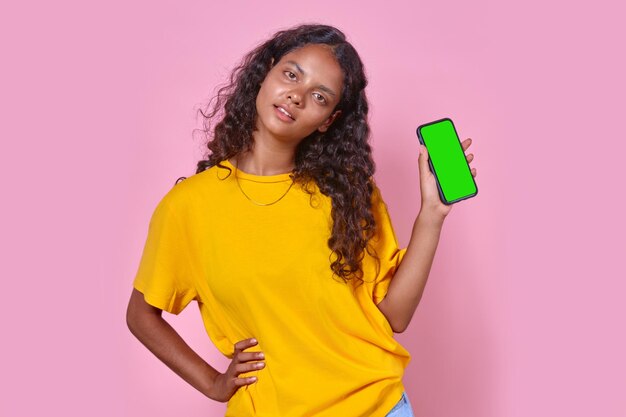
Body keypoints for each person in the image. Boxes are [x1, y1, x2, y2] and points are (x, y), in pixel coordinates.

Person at [126, 23, 477, 417]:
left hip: (376, 406)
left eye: (319, 96)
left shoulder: (347, 194)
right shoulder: (188, 206)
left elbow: (395, 316)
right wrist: (212, 383)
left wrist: (432, 214)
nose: (296, 95)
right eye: (291, 74)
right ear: (267, 73)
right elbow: (141, 313)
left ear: (328, 119)